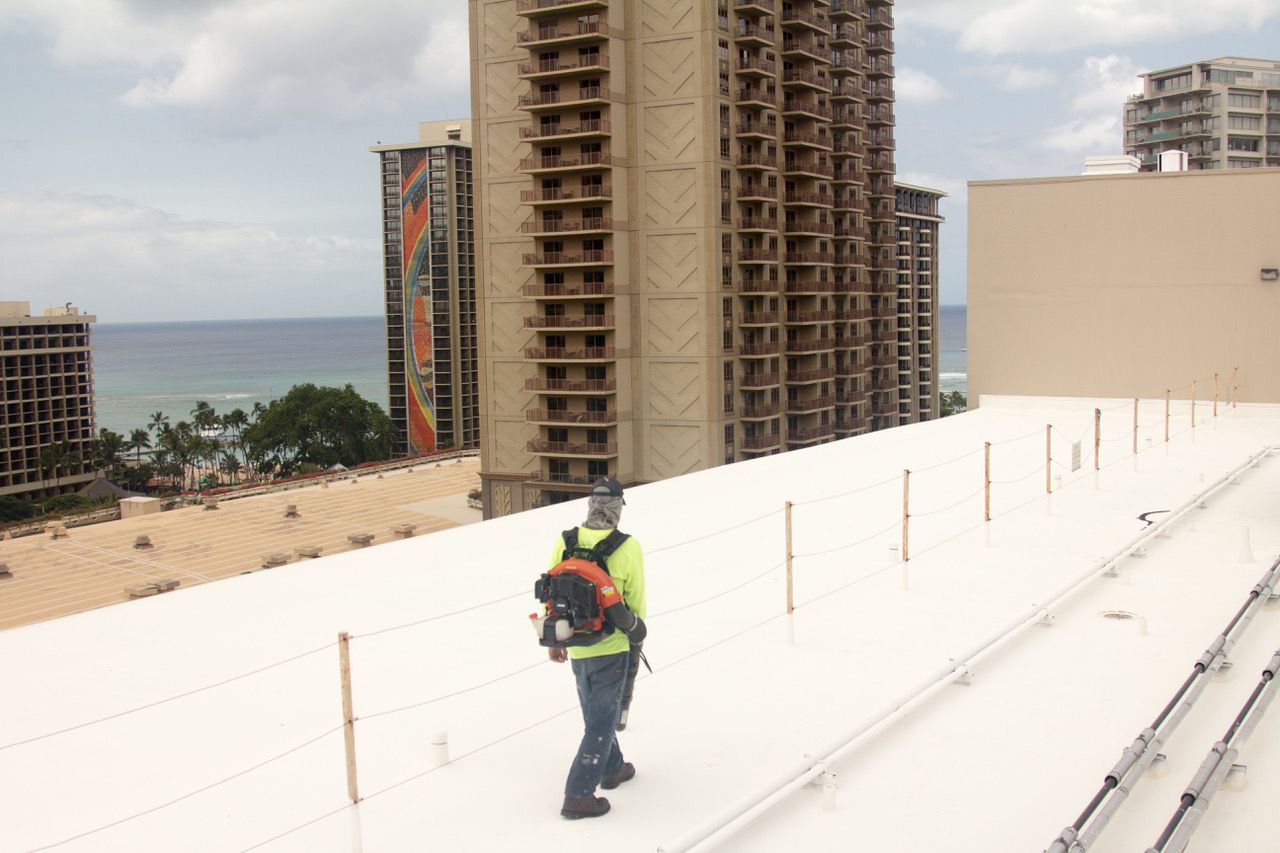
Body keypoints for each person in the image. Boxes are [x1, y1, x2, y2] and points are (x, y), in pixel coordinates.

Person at [548, 476, 646, 819]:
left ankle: (613, 768)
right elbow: (635, 602)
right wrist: (637, 635)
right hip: (612, 645)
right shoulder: (627, 546)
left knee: (596, 714)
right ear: (618, 508)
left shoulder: (566, 541)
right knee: (600, 723)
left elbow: (552, 593)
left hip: (576, 643)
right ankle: (578, 795)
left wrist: (555, 639)